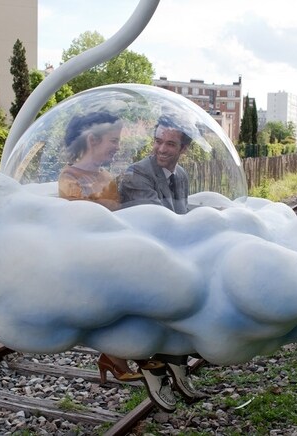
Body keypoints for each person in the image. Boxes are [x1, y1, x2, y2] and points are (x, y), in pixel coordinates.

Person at [120, 115, 207, 413]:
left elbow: (181, 214)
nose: (162, 149)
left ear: (183, 148)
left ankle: (176, 359)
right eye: (158, 141)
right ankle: (152, 364)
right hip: (140, 256)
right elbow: (158, 221)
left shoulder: (180, 174)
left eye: (170, 143)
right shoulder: (137, 175)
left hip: (168, 251)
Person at [58, 111, 143, 384]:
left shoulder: (105, 175)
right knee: (115, 299)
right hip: (87, 254)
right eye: (113, 140)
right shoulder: (70, 177)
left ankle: (122, 352)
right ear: (92, 140)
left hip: (114, 248)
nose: (118, 147)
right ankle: (115, 355)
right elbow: (79, 215)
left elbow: (118, 211)